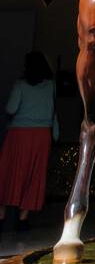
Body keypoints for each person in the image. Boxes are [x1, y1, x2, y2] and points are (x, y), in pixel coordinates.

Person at [0, 51, 59, 230]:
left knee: (8, 173)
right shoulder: (51, 86)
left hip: (19, 135)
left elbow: (11, 109)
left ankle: (1, 216)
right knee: (34, 175)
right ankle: (23, 219)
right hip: (42, 136)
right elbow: (53, 111)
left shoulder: (20, 85)